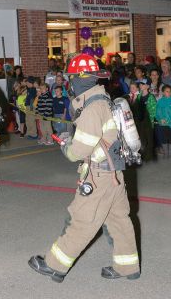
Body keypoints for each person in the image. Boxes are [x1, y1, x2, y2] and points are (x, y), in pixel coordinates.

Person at [28, 53, 140, 282]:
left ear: (79, 79)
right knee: (119, 220)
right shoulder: (104, 99)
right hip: (114, 174)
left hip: (99, 175)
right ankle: (128, 268)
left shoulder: (92, 108)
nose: (69, 84)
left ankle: (54, 265)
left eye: (71, 79)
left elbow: (78, 151)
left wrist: (66, 146)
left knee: (82, 219)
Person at [137, 79, 157, 161]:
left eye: (142, 84)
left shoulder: (151, 97)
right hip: (141, 121)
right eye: (140, 84)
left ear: (148, 86)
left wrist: (150, 120)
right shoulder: (139, 95)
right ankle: (143, 154)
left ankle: (149, 155)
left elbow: (154, 110)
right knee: (142, 138)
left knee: (149, 139)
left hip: (148, 122)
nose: (140, 85)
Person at [156, 85, 171, 157]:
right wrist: (160, 119)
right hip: (162, 123)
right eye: (167, 91)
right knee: (163, 138)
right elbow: (158, 112)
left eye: (170, 91)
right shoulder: (160, 101)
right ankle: (165, 151)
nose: (169, 93)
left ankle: (170, 151)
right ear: (163, 92)